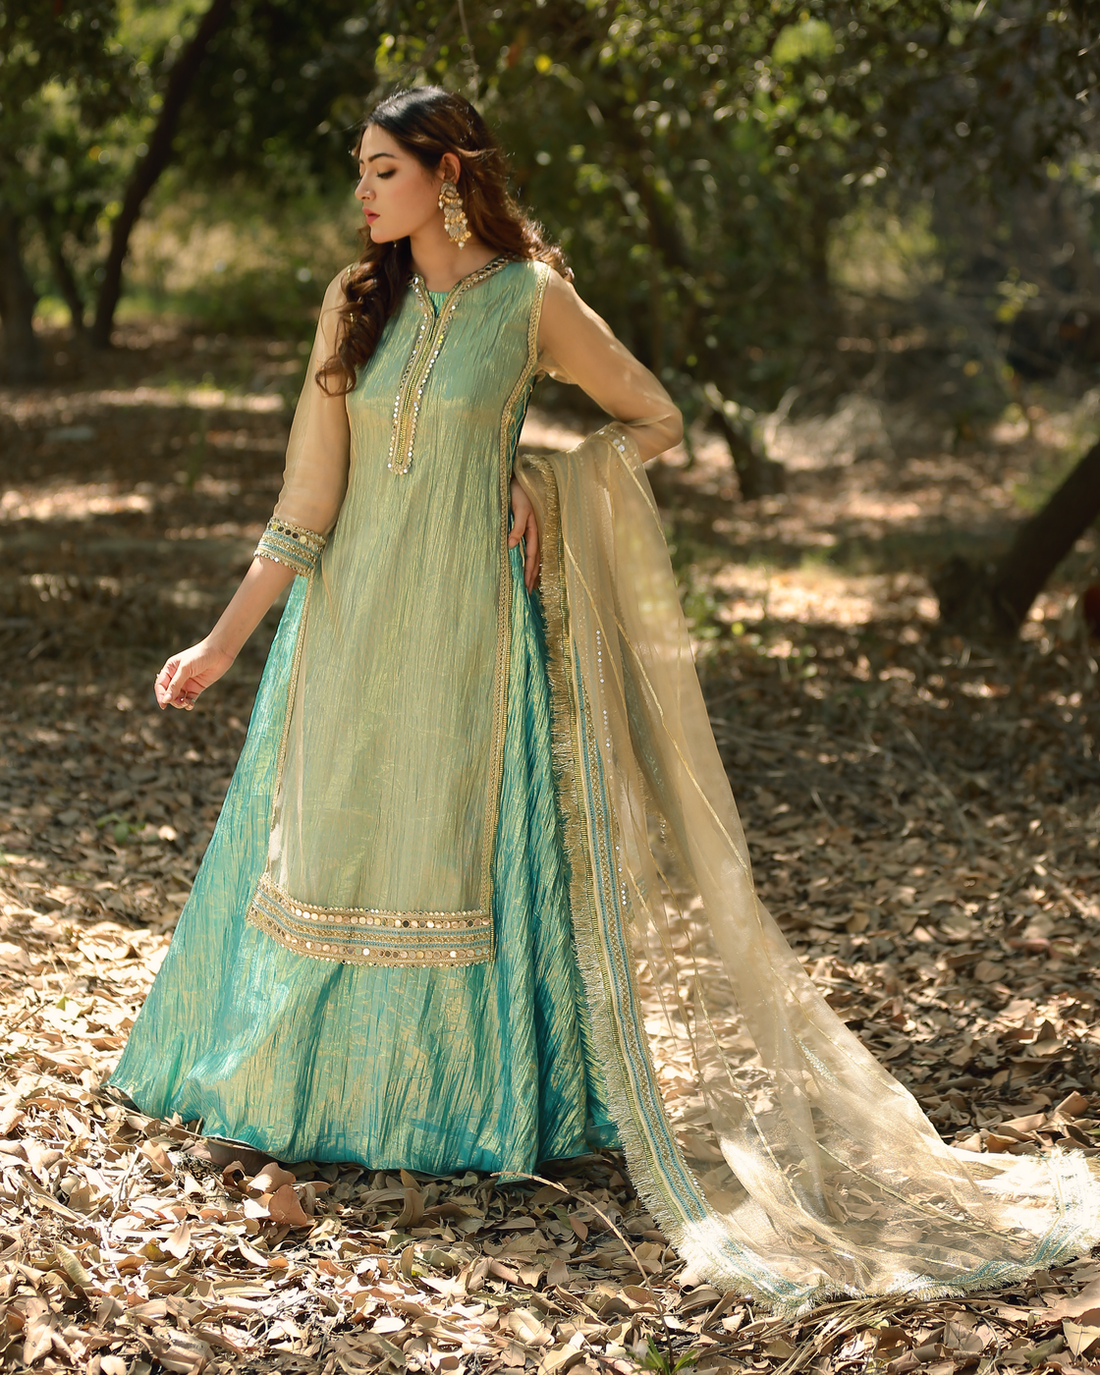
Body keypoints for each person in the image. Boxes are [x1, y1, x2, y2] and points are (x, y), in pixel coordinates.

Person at [107, 86, 1100, 1315]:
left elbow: (653, 418)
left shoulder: (530, 298)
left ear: (447, 172)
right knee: (334, 854)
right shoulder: (353, 300)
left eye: (382, 169)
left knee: (453, 857)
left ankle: (459, 1108)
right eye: (357, 169)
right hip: (349, 626)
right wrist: (221, 641)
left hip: (473, 626)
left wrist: (542, 470)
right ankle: (315, 1096)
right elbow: (305, 501)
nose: (361, 191)